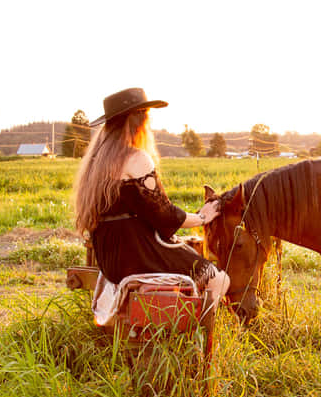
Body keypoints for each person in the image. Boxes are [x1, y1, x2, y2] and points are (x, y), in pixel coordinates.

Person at [73, 87, 229, 312]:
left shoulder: (97, 162)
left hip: (110, 258)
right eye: (146, 115)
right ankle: (194, 332)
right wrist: (202, 217)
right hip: (137, 253)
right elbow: (163, 214)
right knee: (217, 278)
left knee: (184, 254)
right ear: (137, 120)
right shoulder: (135, 158)